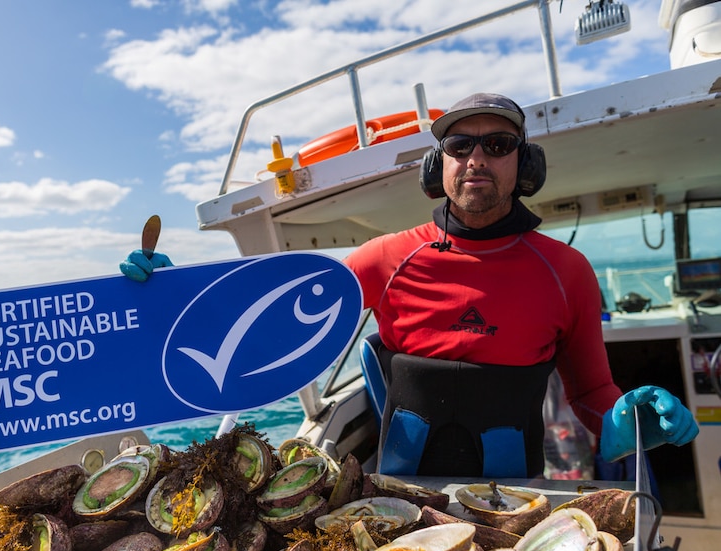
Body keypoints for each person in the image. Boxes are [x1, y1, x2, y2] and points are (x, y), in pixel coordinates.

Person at [120, 93, 698, 478]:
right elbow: (268, 332)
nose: (476, 158)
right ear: (437, 166)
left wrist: (628, 422)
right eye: (458, 146)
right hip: (398, 500)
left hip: (519, 500)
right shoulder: (387, 257)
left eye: (496, 145)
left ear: (525, 167)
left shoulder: (566, 271)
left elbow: (593, 394)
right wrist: (174, 298)